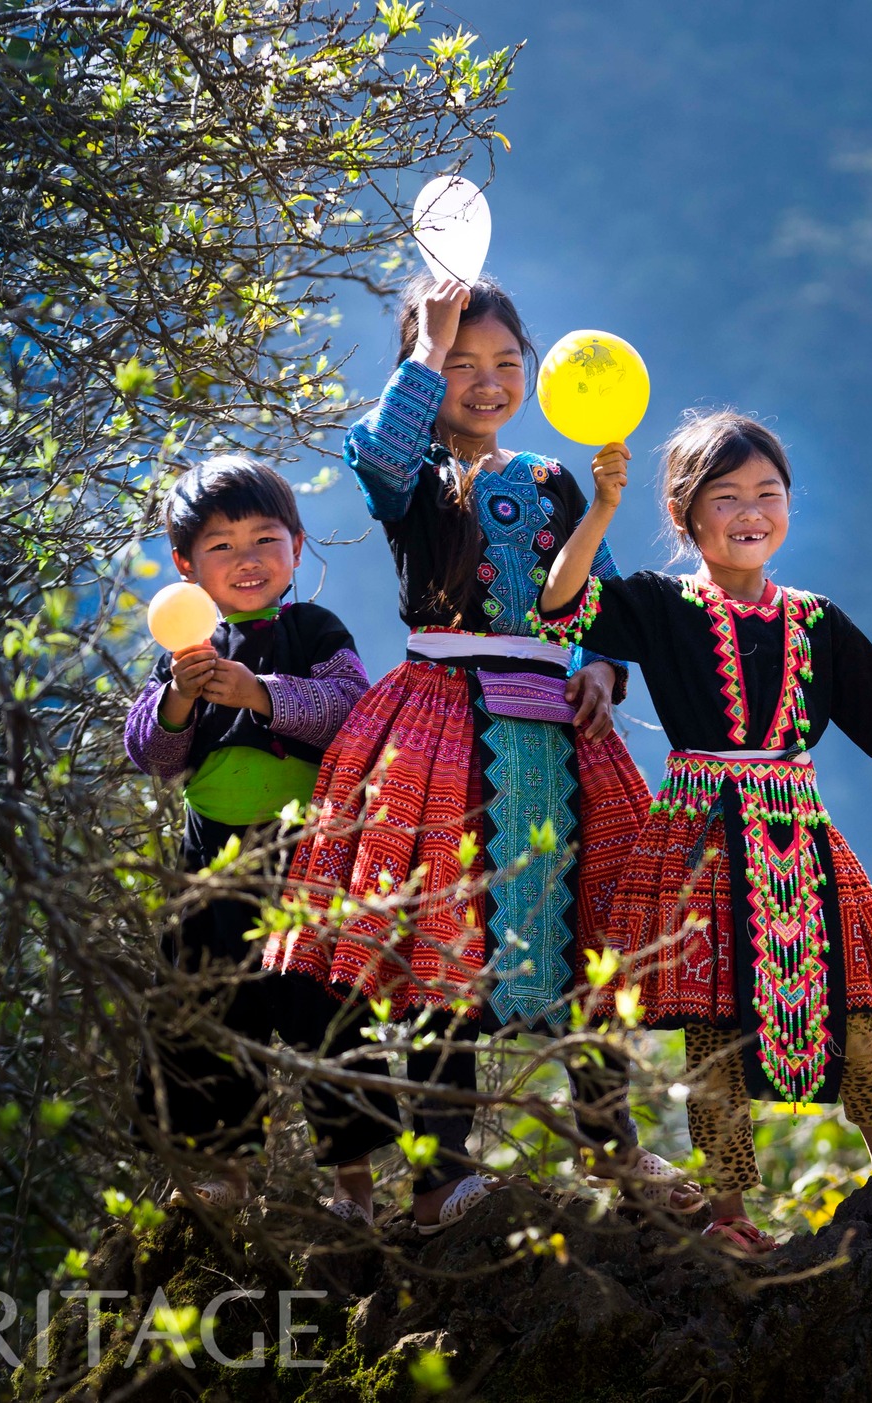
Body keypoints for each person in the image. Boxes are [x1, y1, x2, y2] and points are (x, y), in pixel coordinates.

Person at [264, 276, 691, 1236]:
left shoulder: (552, 482)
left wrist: (607, 670)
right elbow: (375, 451)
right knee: (438, 943)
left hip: (560, 732)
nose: (487, 380)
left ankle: (614, 1145)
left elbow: (605, 595)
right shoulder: (408, 477)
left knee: (593, 938)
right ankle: (440, 1179)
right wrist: (428, 343)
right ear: (424, 369)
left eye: (505, 362)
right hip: (437, 728)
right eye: (461, 361)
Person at [535, 410, 872, 1254]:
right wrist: (602, 510)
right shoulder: (656, 603)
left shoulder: (818, 620)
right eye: (727, 496)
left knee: (856, 1011)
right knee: (716, 1029)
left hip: (798, 835)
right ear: (687, 514)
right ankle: (728, 1216)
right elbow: (561, 605)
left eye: (768, 491)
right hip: (699, 837)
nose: (751, 509)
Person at [124, 454, 389, 1218]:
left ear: (297, 547)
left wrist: (263, 694)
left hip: (311, 862)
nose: (246, 560)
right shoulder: (182, 648)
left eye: (264, 539)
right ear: (184, 566)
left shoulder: (313, 629)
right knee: (208, 1012)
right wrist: (178, 696)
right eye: (221, 546)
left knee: (330, 1017)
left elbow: (352, 710)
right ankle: (223, 1178)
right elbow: (153, 754)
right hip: (213, 865)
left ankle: (354, 1185)